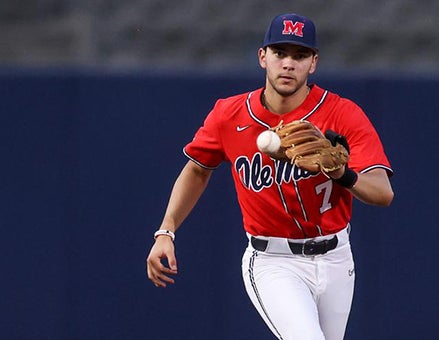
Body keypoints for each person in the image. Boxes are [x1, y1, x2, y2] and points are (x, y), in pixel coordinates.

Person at [146, 13, 394, 340]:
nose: (288, 64)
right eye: (280, 53)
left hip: (336, 259)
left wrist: (342, 174)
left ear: (313, 63)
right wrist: (166, 230)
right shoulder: (229, 115)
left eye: (300, 55)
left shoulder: (342, 113)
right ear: (263, 57)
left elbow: (383, 193)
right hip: (273, 261)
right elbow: (196, 169)